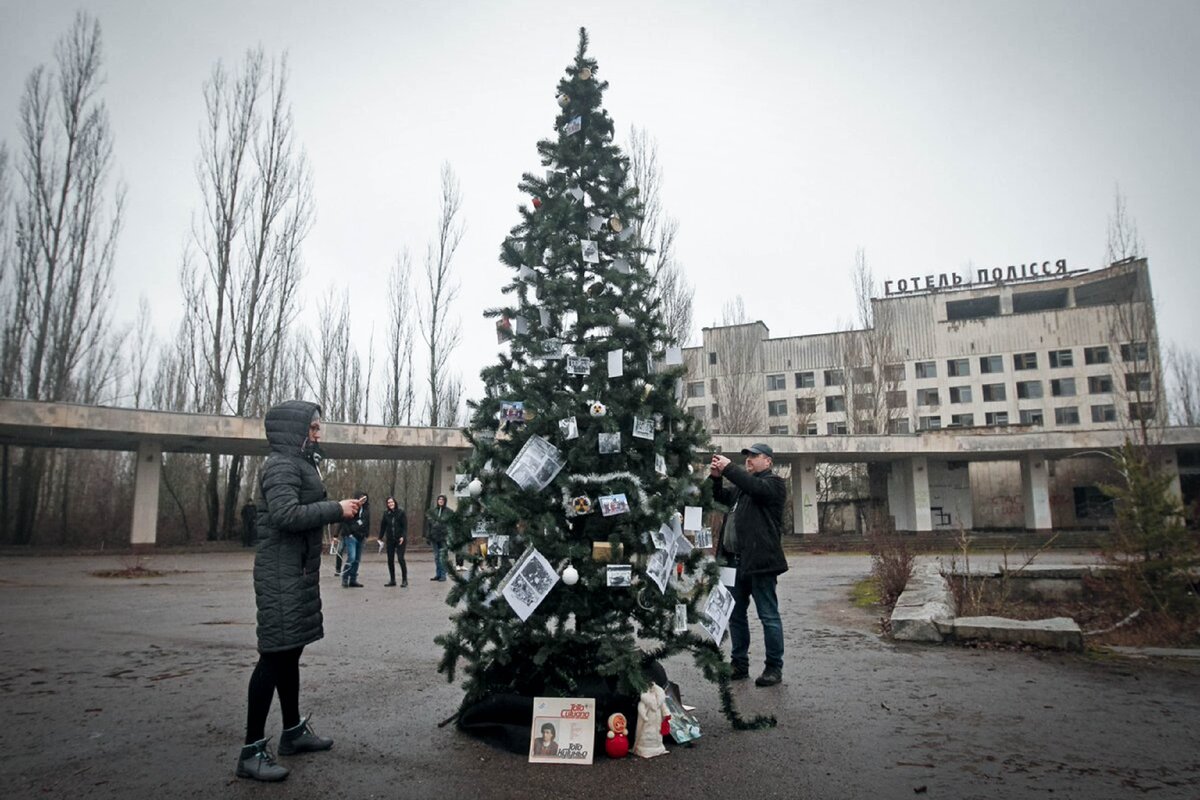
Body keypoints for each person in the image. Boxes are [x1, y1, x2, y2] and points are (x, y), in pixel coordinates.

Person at [237, 401, 362, 782]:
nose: (318, 433)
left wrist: (337, 508)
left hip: (296, 571)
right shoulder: (280, 466)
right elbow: (286, 515)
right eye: (312, 428)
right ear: (294, 431)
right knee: (274, 657)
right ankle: (251, 751)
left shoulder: (299, 464)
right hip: (280, 574)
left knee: (290, 653)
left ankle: (291, 732)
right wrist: (335, 509)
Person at [709, 443, 788, 688]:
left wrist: (729, 467)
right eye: (747, 457)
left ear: (769, 461)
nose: (749, 460)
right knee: (735, 615)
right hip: (733, 562)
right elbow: (718, 497)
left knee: (768, 616)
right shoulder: (741, 490)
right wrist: (715, 478)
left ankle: (773, 667)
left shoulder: (773, 484)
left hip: (760, 563)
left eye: (755, 456)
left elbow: (756, 488)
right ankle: (739, 664)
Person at [339, 490, 369, 588]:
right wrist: (349, 533)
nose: (363, 500)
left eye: (365, 498)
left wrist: (366, 535)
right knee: (351, 557)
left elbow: (367, 523)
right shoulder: (352, 507)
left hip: (361, 537)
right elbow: (344, 521)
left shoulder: (366, 510)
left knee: (357, 560)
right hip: (351, 536)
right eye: (361, 498)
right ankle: (345, 578)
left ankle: (353, 579)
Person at [378, 496, 408, 587]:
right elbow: (383, 526)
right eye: (389, 503)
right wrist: (380, 537)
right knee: (390, 560)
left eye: (392, 502)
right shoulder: (386, 514)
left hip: (400, 539)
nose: (390, 504)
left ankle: (404, 580)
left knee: (400, 558)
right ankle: (392, 580)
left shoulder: (401, 512)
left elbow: (405, 526)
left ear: (395, 503)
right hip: (390, 539)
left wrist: (403, 536)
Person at [427, 494, 450, 581]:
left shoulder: (448, 512)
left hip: (443, 538)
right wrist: (428, 536)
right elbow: (429, 525)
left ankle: (443, 575)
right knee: (436, 557)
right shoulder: (433, 511)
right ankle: (438, 574)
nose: (440, 501)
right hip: (434, 537)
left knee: (443, 556)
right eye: (439, 499)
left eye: (442, 500)